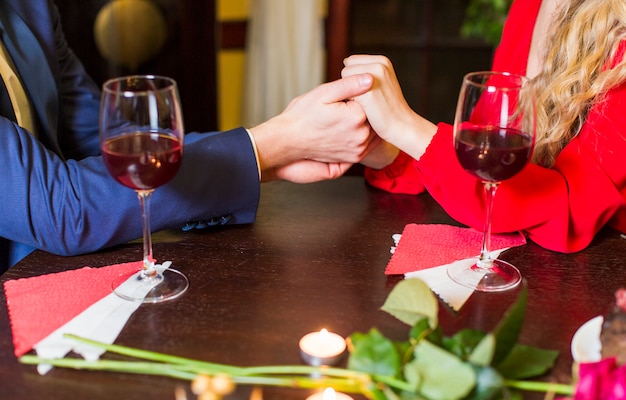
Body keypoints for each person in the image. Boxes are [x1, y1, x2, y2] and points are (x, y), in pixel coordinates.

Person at [0, 0, 377, 273]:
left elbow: (114, 140)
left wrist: (269, 155)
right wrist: (270, 145)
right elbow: (59, 210)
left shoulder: (30, 7)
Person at [342, 0, 626, 253]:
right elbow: (484, 165)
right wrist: (387, 149)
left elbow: (573, 212)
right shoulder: (531, 5)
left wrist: (405, 127)